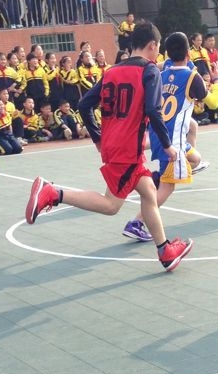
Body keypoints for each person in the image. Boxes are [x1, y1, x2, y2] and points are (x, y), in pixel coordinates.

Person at [24, 21, 195, 272]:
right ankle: (53, 193)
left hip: (117, 144)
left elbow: (84, 105)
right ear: (152, 45)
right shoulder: (149, 71)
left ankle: (165, 251)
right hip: (127, 148)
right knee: (111, 205)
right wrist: (168, 146)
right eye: (158, 48)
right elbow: (153, 110)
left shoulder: (112, 71)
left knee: (149, 191)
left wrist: (97, 138)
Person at [121, 31, 218, 242]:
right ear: (189, 52)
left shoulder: (162, 74)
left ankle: (159, 176)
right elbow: (213, 103)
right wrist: (217, 81)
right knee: (168, 187)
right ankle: (136, 222)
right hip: (173, 142)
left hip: (160, 134)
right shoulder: (192, 77)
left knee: (196, 158)